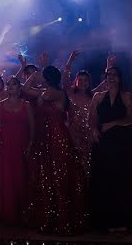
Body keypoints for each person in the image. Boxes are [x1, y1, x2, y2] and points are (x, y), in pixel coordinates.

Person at [23, 66, 86, 234]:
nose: (39, 77)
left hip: (57, 137)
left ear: (48, 77)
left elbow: (37, 94)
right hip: (44, 136)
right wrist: (35, 75)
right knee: (45, 176)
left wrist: (36, 76)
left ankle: (62, 220)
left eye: (42, 75)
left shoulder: (57, 93)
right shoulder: (45, 90)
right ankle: (48, 218)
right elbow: (25, 89)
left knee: (58, 176)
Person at [89, 66, 132, 233]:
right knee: (102, 178)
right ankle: (102, 220)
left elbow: (131, 118)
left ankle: (122, 218)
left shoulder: (126, 96)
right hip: (103, 141)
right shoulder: (98, 96)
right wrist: (94, 130)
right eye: (109, 75)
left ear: (120, 78)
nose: (111, 77)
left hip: (120, 142)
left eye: (114, 75)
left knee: (120, 178)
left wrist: (114, 123)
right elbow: (92, 118)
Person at [0, 77, 33, 224]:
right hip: (4, 144)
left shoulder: (27, 105)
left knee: (19, 176)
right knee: (4, 176)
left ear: (19, 88)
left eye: (14, 84)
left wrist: (30, 144)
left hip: (20, 144)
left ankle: (20, 211)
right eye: (9, 84)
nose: (11, 87)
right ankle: (2, 211)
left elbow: (32, 126)